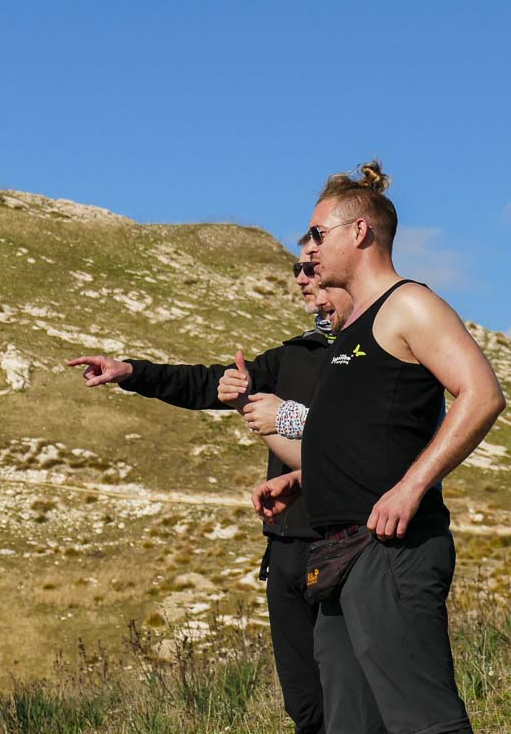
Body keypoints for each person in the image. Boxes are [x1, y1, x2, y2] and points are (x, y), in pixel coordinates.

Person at [66, 240, 332, 734]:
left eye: (310, 266)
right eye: (297, 267)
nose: (301, 277)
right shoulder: (293, 355)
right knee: (306, 706)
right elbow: (205, 383)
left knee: (354, 697)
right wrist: (131, 373)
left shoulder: (371, 353)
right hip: (285, 548)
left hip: (344, 543)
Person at [294, 161, 505, 734]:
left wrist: (412, 487)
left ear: (360, 232)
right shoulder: (350, 327)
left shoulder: (407, 304)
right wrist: (300, 480)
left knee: (423, 722)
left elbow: (482, 394)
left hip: (389, 547)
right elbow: (366, 432)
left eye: (318, 234)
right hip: (338, 552)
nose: (309, 248)